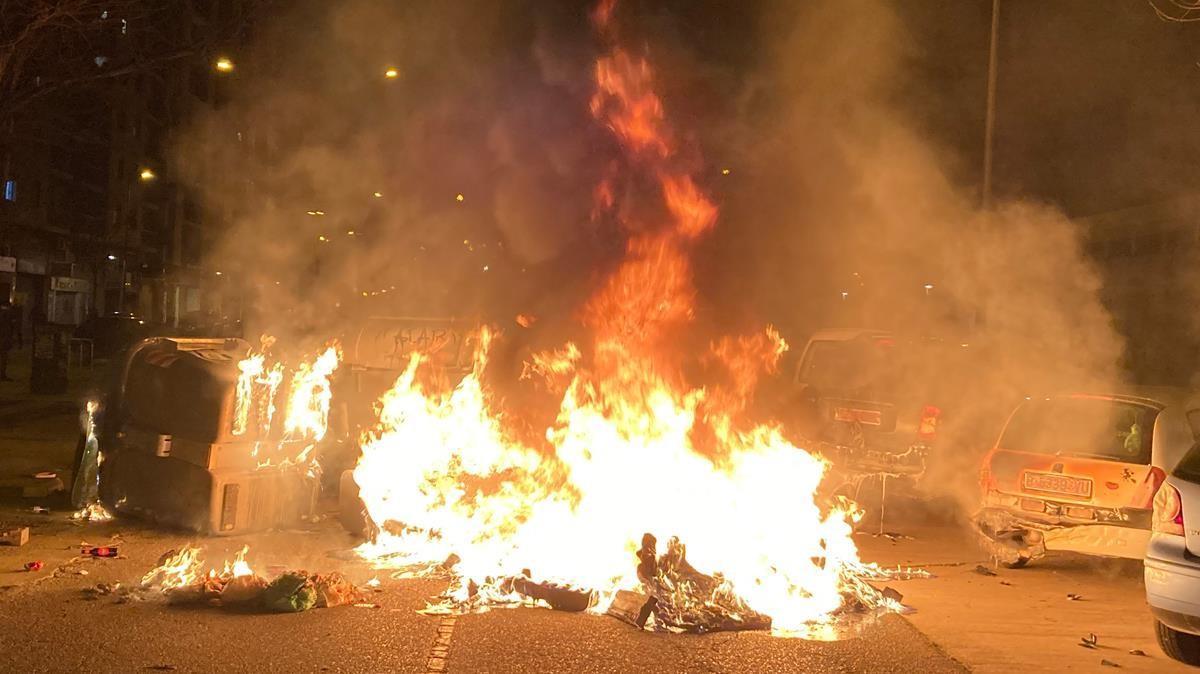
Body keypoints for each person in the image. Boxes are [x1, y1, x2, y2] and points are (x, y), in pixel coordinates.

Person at [0, 300, 18, 381]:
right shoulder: (10, 314)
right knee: (3, 357)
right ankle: (2, 374)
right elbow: (13, 325)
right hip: (5, 338)